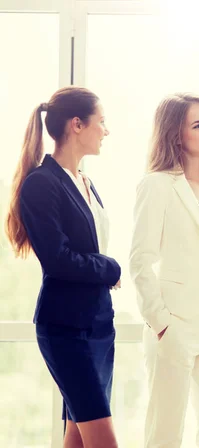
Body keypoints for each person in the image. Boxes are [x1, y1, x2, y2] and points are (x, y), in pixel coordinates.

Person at [4, 86, 121, 448]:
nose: (106, 130)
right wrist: (109, 270)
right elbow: (57, 259)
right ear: (76, 125)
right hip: (66, 329)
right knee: (102, 441)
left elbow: (88, 247)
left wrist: (102, 272)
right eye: (101, 122)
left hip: (100, 325)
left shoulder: (86, 182)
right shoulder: (41, 183)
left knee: (79, 438)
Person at [130, 93, 199, 448]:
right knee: (165, 433)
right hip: (175, 324)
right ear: (176, 135)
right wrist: (161, 323)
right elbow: (140, 260)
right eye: (197, 124)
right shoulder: (157, 184)